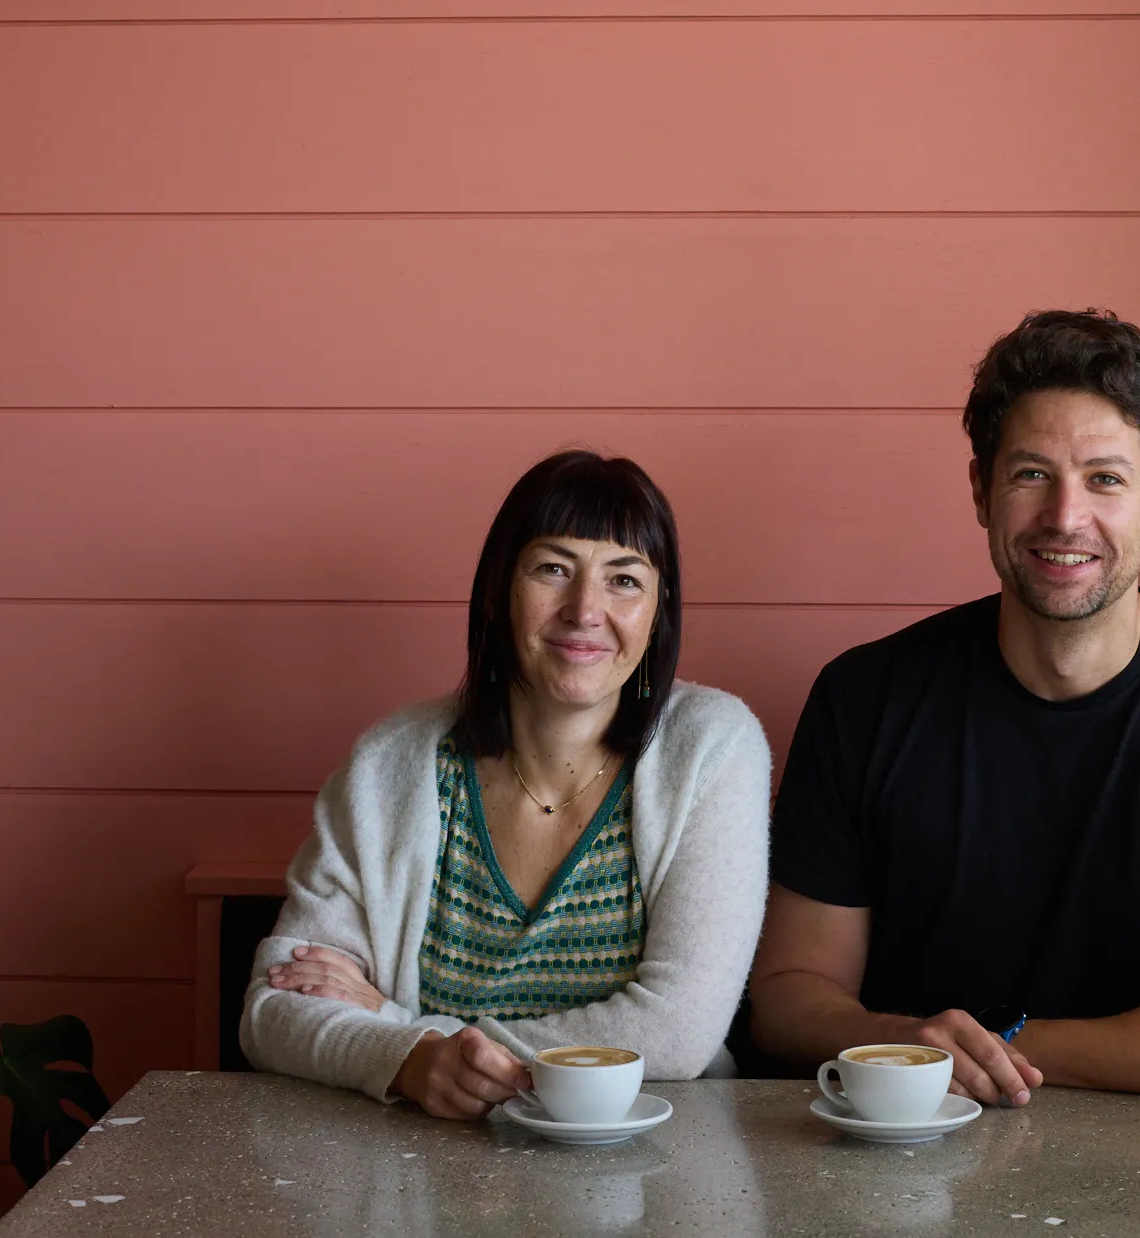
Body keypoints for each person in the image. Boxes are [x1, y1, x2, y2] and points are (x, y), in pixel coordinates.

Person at [747, 310, 1140, 1106]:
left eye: (1106, 479)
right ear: (982, 490)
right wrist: (908, 1047)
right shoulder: (864, 700)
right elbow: (790, 995)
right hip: (909, 1144)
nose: (1065, 517)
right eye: (1032, 474)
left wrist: (991, 1047)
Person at [240, 450, 772, 1119]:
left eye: (624, 580)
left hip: (655, 1157)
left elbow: (677, 1033)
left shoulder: (712, 747)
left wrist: (412, 1042)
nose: (585, 610)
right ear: (497, 591)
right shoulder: (391, 764)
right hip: (417, 1164)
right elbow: (275, 1004)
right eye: (553, 569)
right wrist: (409, 1058)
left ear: (657, 613)